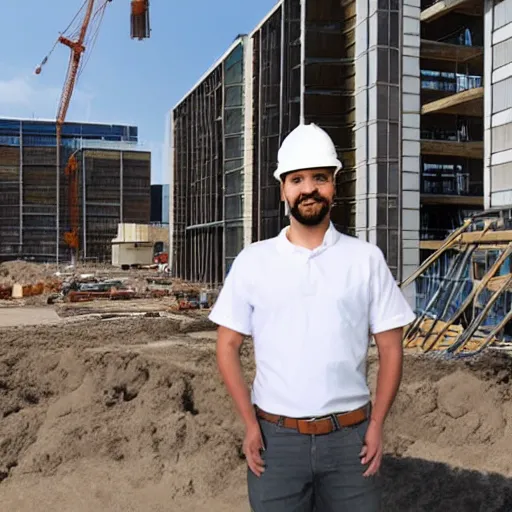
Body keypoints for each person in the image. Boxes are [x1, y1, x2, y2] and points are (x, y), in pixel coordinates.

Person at [209, 123, 416, 511]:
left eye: (319, 178)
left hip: (350, 442)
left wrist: (377, 425)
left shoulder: (365, 260)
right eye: (297, 179)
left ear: (334, 184)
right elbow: (227, 346)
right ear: (283, 188)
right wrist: (250, 425)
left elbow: (391, 348)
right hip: (277, 441)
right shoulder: (254, 262)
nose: (309, 189)